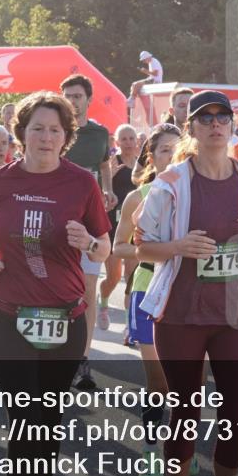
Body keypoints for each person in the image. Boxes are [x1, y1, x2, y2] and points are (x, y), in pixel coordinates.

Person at [0, 91, 111, 476]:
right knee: (25, 417)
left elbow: (104, 246)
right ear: (21, 134)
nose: (45, 137)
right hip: (5, 317)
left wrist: (89, 242)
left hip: (65, 319)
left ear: (66, 136)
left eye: (54, 130)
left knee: (48, 420)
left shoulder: (82, 183)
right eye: (37, 128)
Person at [134, 90, 238, 476]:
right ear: (190, 127)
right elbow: (141, 245)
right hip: (180, 314)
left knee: (235, 414)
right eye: (205, 118)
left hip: (235, 316)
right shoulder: (171, 182)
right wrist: (178, 246)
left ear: (232, 126)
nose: (215, 124)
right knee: (185, 410)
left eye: (222, 117)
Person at [111, 123, 184, 476]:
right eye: (165, 150)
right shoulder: (137, 197)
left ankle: (182, 448)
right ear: (152, 158)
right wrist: (161, 251)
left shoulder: (199, 194)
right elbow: (118, 247)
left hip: (190, 292)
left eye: (178, 149)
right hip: (148, 291)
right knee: (159, 381)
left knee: (190, 382)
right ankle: (152, 449)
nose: (172, 156)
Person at [60, 74, 116, 391]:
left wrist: (107, 189)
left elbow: (104, 164)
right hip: (56, 220)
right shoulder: (56, 130)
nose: (72, 100)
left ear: (89, 99)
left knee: (88, 289)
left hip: (90, 220)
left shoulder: (99, 134)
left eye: (78, 95)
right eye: (68, 95)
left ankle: (82, 359)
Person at [98, 124, 140, 332]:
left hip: (135, 225)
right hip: (114, 226)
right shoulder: (112, 163)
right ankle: (103, 302)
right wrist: (109, 178)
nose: (128, 142)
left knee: (131, 277)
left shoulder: (143, 165)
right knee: (113, 277)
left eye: (131, 138)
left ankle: (128, 325)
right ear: (117, 142)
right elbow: (100, 192)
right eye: (124, 139)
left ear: (137, 141)